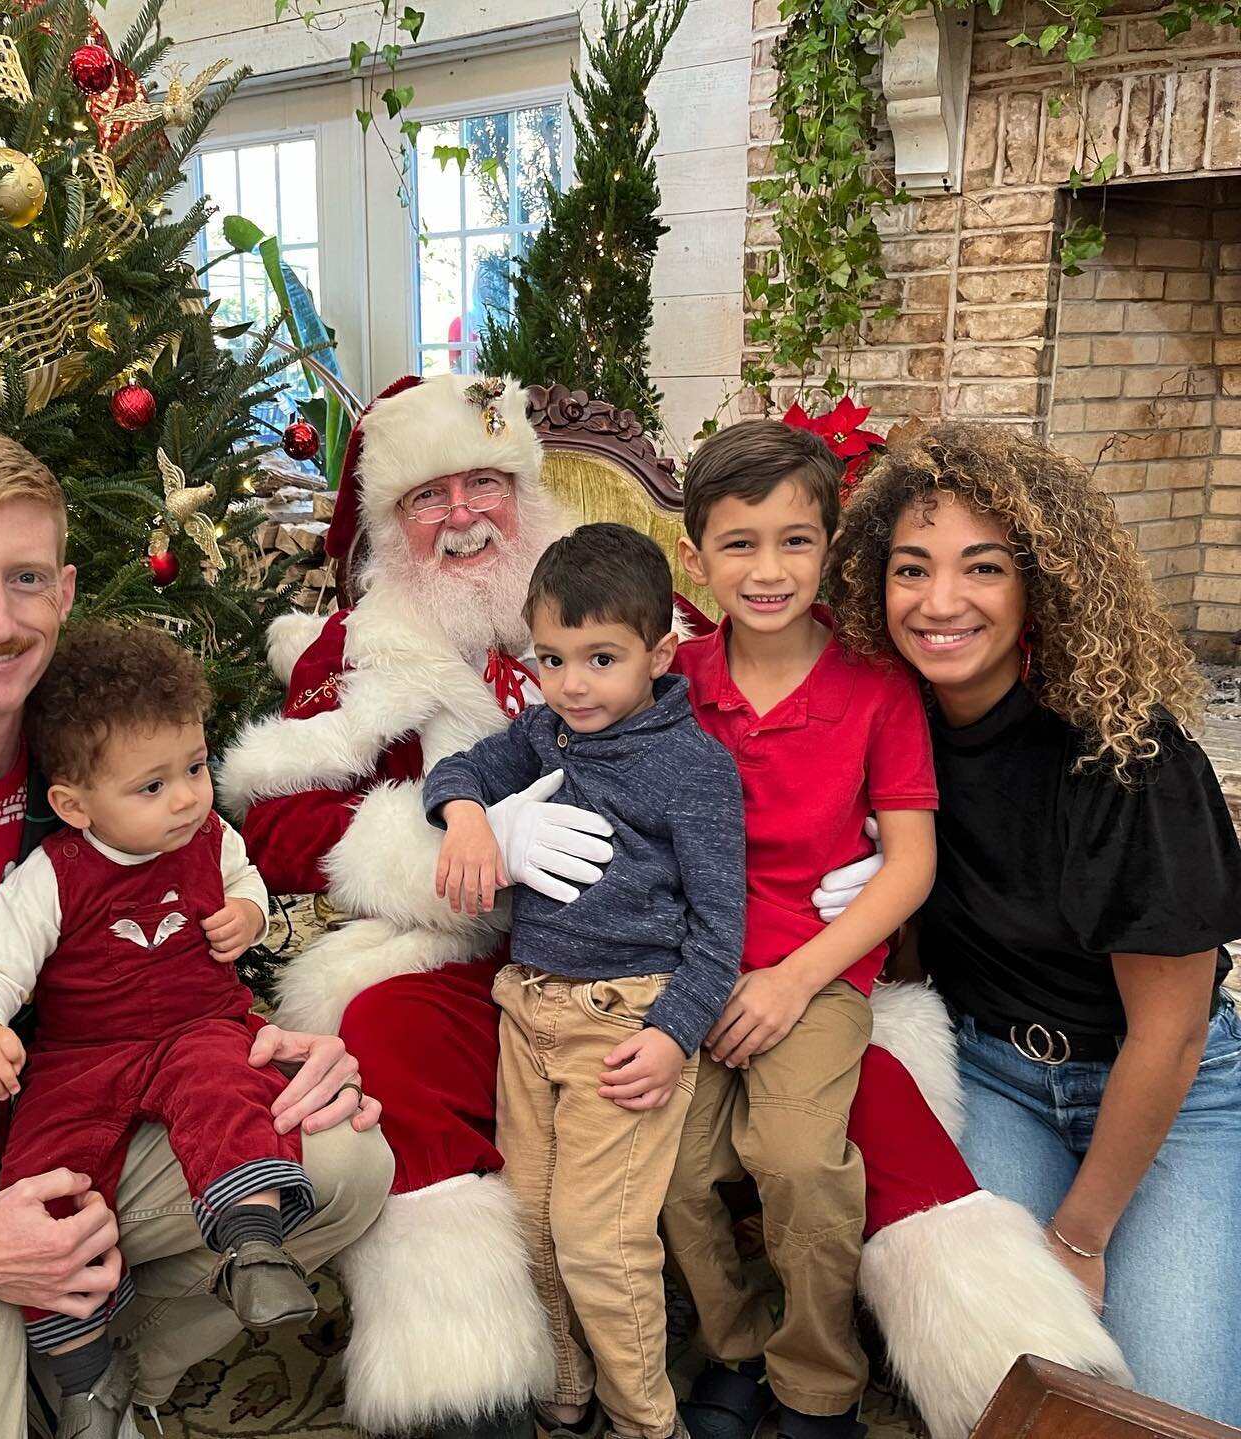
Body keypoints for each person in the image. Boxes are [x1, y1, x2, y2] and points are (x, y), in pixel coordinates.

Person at [216, 373, 1129, 1439]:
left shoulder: (652, 624)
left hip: (681, 954)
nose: (462, 516)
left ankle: (1005, 1373)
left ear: (530, 489)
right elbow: (275, 826)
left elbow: (805, 722)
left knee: (859, 1085)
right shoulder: (353, 657)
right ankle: (462, 1369)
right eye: (428, 496)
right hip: (468, 956)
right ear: (387, 520)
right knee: (383, 1031)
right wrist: (458, 839)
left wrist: (861, 841)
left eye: (485, 484)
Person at [0, 428, 392, 1439]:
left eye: (24, 577)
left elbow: (176, 940)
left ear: (65, 592)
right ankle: (36, 1370)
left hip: (72, 1139)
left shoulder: (111, 779)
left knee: (342, 1157)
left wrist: (261, 1036)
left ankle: (100, 1366)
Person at [824, 421, 1241, 1426]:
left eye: (984, 567)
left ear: (1038, 586)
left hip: (1165, 1086)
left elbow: (1173, 1028)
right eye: (911, 568)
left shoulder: (1127, 750)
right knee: (1007, 1389)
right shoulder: (887, 724)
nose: (941, 601)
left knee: (1168, 1404)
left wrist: (1081, 1238)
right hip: (992, 1073)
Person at [0, 622, 341, 1436]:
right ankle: (83, 1373)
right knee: (46, 1180)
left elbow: (247, 883)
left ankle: (253, 1239)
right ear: (73, 802)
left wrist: (244, 913)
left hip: (198, 1022)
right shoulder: (52, 876)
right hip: (83, 1054)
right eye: (152, 785)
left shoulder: (209, 835)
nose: (188, 797)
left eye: (195, 768)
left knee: (230, 1092)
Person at [424, 523, 746, 1439]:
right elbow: (457, 769)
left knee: (596, 1240)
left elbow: (721, 932)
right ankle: (566, 1392)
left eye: (601, 658)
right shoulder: (543, 732)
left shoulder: (693, 769)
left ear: (660, 650)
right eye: (551, 658)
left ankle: (648, 1421)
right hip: (527, 1011)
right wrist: (470, 821)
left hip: (627, 1022)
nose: (572, 683)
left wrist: (673, 1032)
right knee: (526, 1221)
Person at [660, 421, 937, 1439]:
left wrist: (792, 979)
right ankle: (732, 1345)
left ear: (829, 547)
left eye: (794, 540)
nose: (767, 569)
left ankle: (817, 1375)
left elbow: (910, 860)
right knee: (675, 1164)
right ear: (696, 555)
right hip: (688, 964)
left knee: (797, 1160)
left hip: (814, 968)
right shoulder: (672, 682)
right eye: (739, 542)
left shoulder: (876, 684)